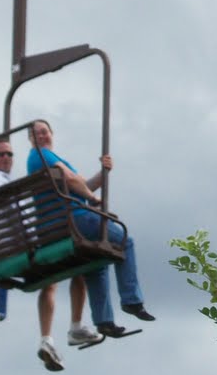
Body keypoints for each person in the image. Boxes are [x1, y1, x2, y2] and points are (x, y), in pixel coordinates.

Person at [0, 125, 98, 373]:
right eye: (0, 154)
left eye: (10, 154)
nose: (6, 158)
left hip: (15, 245)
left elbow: (76, 187)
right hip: (14, 249)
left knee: (56, 275)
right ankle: (75, 327)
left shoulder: (5, 181)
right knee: (80, 256)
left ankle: (47, 339)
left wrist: (101, 175)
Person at [25, 119, 155, 344]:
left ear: (52, 133)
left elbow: (81, 184)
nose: (43, 136)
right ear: (31, 139)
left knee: (98, 260)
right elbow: (72, 180)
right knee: (124, 241)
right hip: (74, 219)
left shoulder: (43, 158)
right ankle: (131, 300)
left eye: (45, 132)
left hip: (58, 224)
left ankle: (104, 320)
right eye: (37, 134)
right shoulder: (41, 155)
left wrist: (103, 173)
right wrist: (91, 199)